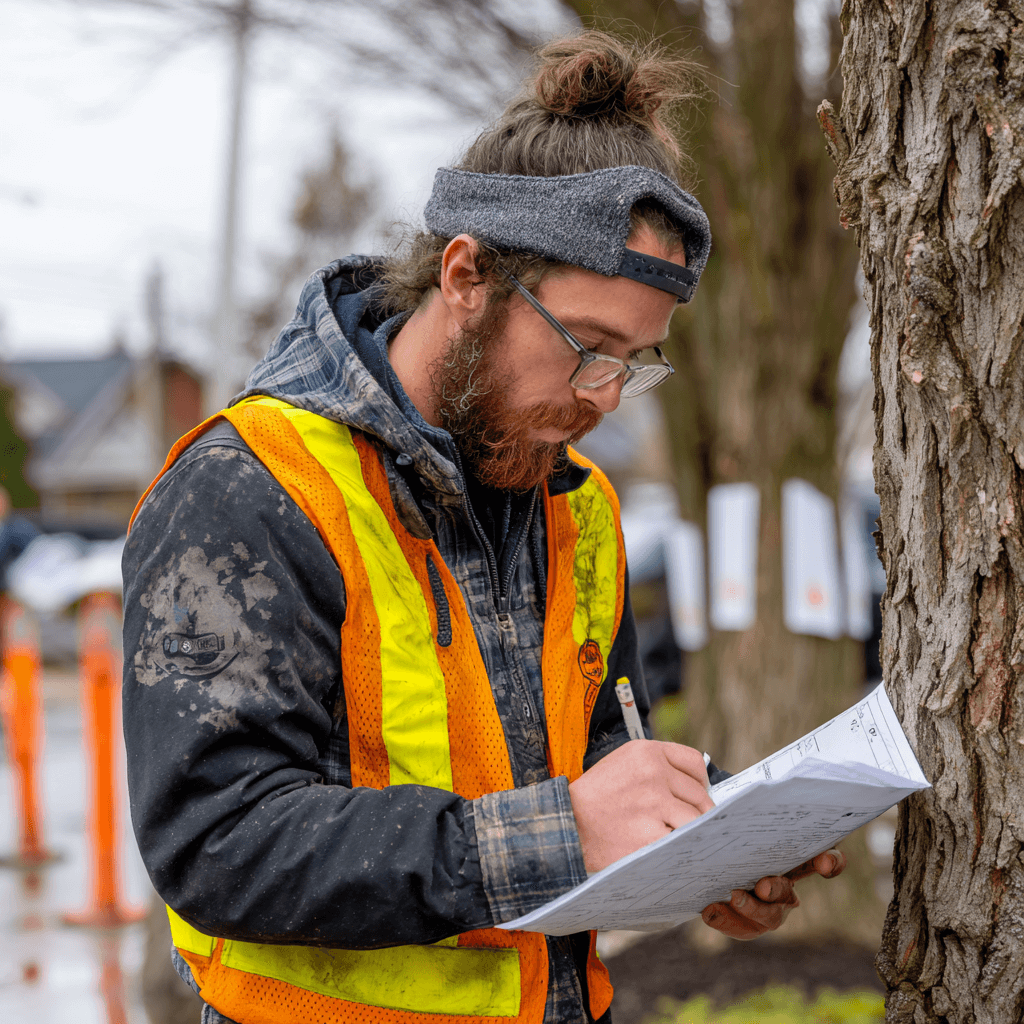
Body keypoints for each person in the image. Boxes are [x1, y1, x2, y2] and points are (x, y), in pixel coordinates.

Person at [122, 31, 846, 1024]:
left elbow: (592, 754)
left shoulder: (578, 503)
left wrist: (704, 836)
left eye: (634, 361)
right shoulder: (246, 486)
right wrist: (562, 833)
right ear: (465, 276)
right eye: (584, 347)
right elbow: (214, 841)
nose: (602, 398)